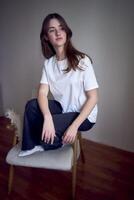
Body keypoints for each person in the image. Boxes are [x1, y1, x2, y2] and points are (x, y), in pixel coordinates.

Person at [18, 13, 99, 157]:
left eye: (61, 28)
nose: (57, 32)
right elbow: (42, 93)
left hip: (84, 116)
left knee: (50, 127)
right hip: (63, 109)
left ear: (66, 32)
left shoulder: (82, 60)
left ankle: (53, 142)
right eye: (51, 30)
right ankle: (29, 146)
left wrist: (74, 126)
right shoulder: (48, 64)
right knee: (32, 106)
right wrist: (47, 117)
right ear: (46, 37)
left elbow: (93, 97)